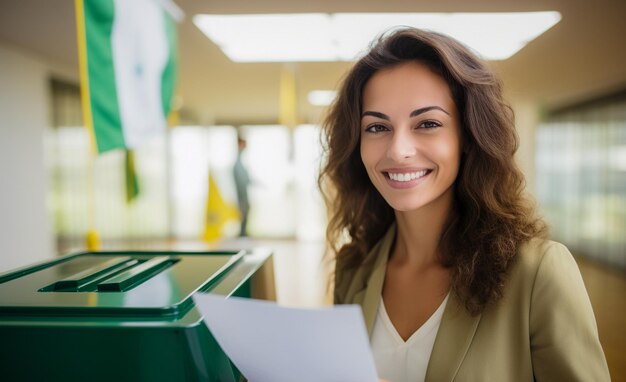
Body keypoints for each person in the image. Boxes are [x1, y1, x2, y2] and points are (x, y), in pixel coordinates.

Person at [319, 28, 610, 382]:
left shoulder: (538, 272)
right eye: (377, 127)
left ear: (468, 137)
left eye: (427, 123)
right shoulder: (354, 268)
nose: (398, 150)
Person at [233, 132, 251, 237]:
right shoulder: (237, 163)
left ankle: (243, 233)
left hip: (243, 193)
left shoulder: (240, 162)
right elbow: (241, 180)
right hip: (241, 194)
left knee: (245, 212)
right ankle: (242, 234)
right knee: (243, 213)